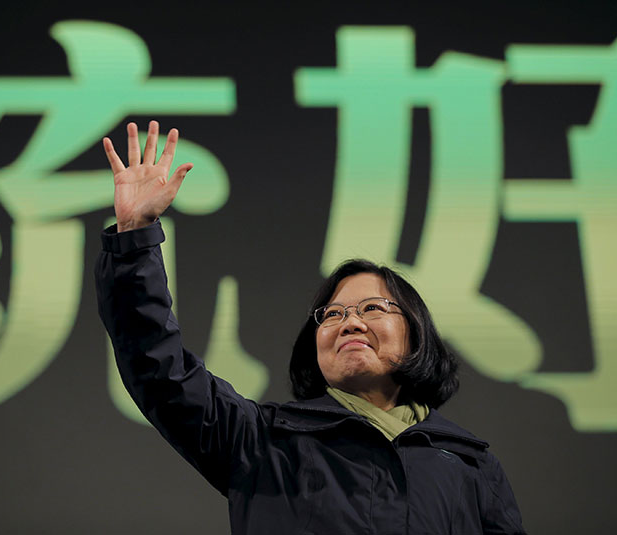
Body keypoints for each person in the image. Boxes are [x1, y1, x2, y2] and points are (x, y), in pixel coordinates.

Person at [95, 120, 526, 534]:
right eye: (333, 314)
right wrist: (135, 236)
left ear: (416, 334)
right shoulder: (261, 441)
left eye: (372, 308)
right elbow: (159, 367)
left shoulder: (471, 464)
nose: (350, 323)